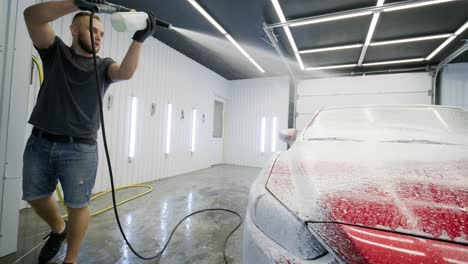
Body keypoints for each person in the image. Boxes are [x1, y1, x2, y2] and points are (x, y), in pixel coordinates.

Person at [22, 1, 156, 263]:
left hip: (80, 149)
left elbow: (125, 72)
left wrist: (139, 40)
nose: (98, 36)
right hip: (40, 142)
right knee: (35, 196)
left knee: (77, 205)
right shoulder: (55, 52)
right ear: (73, 30)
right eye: (93, 30)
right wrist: (74, 2)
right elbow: (32, 17)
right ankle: (59, 229)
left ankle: (70, 260)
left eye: (102, 34)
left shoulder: (103, 66)